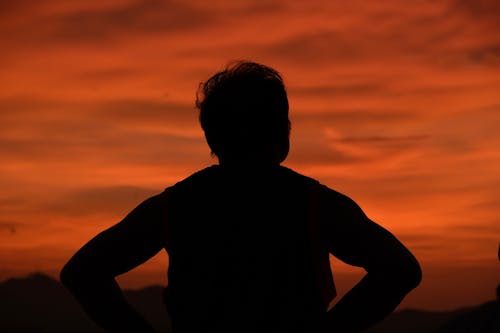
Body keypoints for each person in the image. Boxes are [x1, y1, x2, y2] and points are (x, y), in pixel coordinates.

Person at [60, 61, 422, 333]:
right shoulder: (316, 204)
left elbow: (83, 272)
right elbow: (400, 270)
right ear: (282, 132)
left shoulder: (176, 206)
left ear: (212, 138)